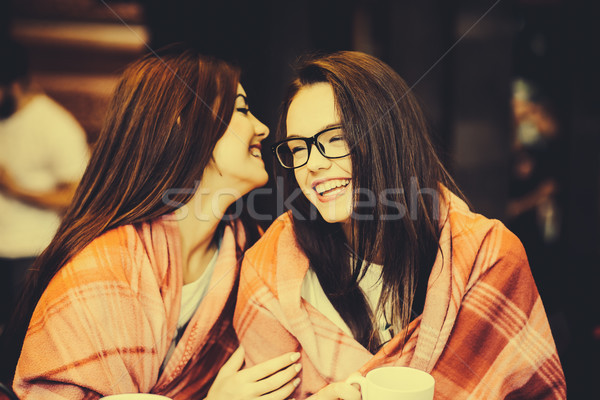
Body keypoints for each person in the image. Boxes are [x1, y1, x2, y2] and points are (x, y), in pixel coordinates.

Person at [233, 51, 566, 399]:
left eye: (335, 138)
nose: (312, 164)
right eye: (297, 147)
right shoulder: (268, 273)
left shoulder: (489, 257)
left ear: (388, 135)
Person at [0, 45, 302, 400]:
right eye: (242, 110)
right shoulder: (102, 273)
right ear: (185, 123)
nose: (263, 128)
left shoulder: (251, 250)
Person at [0, 40, 89, 333]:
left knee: (18, 339)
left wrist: (16, 189)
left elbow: (77, 195)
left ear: (14, 85)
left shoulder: (55, 125)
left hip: (30, 252)